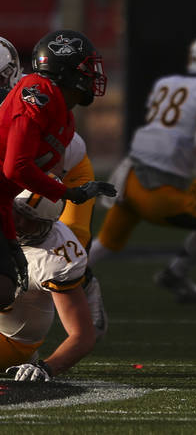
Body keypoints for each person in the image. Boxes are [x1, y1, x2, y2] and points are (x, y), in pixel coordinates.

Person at [89, 33, 196, 302]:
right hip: (156, 188)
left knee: (105, 243)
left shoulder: (167, 83)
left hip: (128, 177)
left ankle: (51, 282)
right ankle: (176, 272)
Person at [0, 30, 115, 310]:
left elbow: (6, 186)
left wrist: (11, 239)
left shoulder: (63, 117)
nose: (91, 76)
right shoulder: (37, 95)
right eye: (86, 69)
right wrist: (68, 192)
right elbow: (16, 168)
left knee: (5, 291)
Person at [1, 188, 107, 381]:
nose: (20, 224)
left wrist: (47, 368)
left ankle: (88, 285)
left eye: (32, 221)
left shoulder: (55, 257)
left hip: (11, 340)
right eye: (18, 213)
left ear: (49, 224)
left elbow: (82, 336)